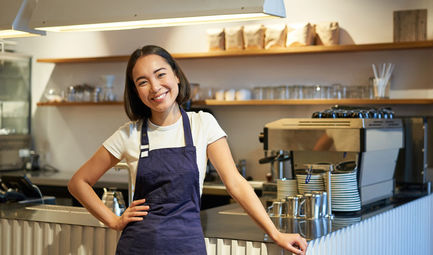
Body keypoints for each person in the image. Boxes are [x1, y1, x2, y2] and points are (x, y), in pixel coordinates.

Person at [68, 45, 307, 255]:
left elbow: (236, 183)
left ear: (176, 76)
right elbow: (79, 182)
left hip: (187, 247)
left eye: (160, 74)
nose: (154, 87)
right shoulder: (128, 134)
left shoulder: (202, 124)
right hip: (138, 246)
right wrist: (113, 220)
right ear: (136, 91)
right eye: (142, 82)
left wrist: (276, 234)